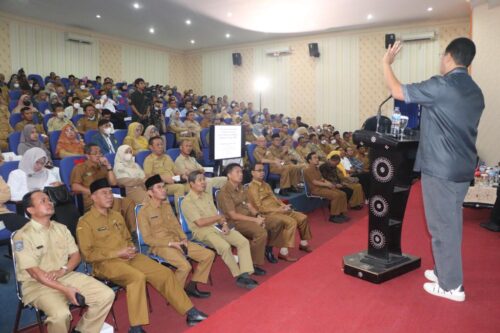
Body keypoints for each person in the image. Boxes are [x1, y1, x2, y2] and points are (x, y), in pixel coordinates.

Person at [383, 38, 484, 302]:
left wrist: (386, 63)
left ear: (449, 57)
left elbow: (398, 91)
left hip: (441, 167)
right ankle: (443, 271)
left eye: (442, 55)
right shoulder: (475, 90)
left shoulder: (442, 85)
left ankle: (452, 286)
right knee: (450, 222)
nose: (440, 59)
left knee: (442, 227)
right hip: (462, 167)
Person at [76, 178, 207, 331]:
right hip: (105, 263)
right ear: (93, 197)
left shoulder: (117, 216)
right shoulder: (85, 222)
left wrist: (130, 248)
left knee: (164, 273)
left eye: (111, 192)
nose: (109, 196)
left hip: (129, 257)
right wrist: (118, 252)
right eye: (104, 193)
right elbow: (87, 254)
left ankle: (190, 312)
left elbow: (127, 238)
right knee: (136, 278)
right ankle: (136, 328)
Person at [13, 190, 114, 333]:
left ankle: (82, 330)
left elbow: (76, 255)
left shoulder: (61, 228)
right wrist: (66, 290)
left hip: (65, 275)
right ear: (30, 210)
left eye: (49, 200)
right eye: (43, 201)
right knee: (60, 315)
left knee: (106, 295)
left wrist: (63, 270)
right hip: (37, 285)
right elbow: (35, 274)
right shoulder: (22, 236)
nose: (50, 203)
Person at [138, 175, 215, 298]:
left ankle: (191, 286)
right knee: (185, 266)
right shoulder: (144, 212)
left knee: (208, 255)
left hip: (178, 241)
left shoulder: (166, 206)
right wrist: (170, 244)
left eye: (164, 187)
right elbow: (147, 239)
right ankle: (176, 296)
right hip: (161, 246)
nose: (163, 190)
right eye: (159, 187)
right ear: (150, 193)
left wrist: (183, 238)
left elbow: (176, 225)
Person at [182, 171, 258, 289]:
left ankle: (245, 274)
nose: (203, 182)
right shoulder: (187, 202)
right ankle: (239, 276)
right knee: (225, 246)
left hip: (217, 227)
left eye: (204, 179)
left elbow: (218, 215)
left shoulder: (206, 195)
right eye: (200, 180)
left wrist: (225, 224)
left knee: (242, 241)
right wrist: (218, 218)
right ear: (191, 184)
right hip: (202, 231)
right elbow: (200, 223)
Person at [219, 163, 283, 267]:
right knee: (261, 233)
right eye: (237, 172)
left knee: (277, 222)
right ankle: (253, 263)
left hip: (250, 217)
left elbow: (249, 205)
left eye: (241, 172)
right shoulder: (225, 192)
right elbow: (233, 216)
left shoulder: (241, 187)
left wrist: (258, 216)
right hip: (236, 222)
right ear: (229, 175)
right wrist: (255, 220)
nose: (241, 175)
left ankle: (268, 249)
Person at [247, 162, 313, 261]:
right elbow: (259, 208)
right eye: (259, 171)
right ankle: (283, 252)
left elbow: (275, 199)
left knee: (303, 218)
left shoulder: (266, 184)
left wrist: (283, 205)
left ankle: (303, 243)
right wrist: (278, 209)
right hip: (268, 214)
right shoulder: (252, 188)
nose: (262, 173)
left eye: (263, 170)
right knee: (291, 222)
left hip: (279, 209)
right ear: (252, 173)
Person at [143, 136, 187, 211]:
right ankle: (181, 215)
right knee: (179, 187)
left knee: (194, 184)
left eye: (161, 144)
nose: (161, 147)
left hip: (174, 181)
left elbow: (176, 171)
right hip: (163, 186)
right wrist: (161, 178)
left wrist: (182, 176)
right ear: (151, 147)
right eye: (158, 145)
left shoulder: (167, 157)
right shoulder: (149, 160)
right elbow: (148, 177)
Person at [303, 152, 349, 223]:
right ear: (309, 160)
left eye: (317, 158)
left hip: (322, 188)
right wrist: (327, 185)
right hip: (316, 190)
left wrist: (330, 184)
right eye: (315, 158)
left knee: (342, 193)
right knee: (335, 195)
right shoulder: (307, 170)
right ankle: (333, 216)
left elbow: (322, 179)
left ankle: (340, 213)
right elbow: (315, 182)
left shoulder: (317, 168)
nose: (317, 159)